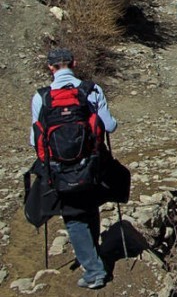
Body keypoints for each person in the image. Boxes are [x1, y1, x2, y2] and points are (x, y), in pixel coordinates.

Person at [30, 48, 118, 290]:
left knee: (73, 217)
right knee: (90, 208)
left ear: (50, 67)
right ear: (74, 63)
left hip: (60, 170)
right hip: (91, 165)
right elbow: (109, 126)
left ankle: (94, 271)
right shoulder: (91, 90)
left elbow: (33, 138)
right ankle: (94, 258)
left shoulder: (42, 97)